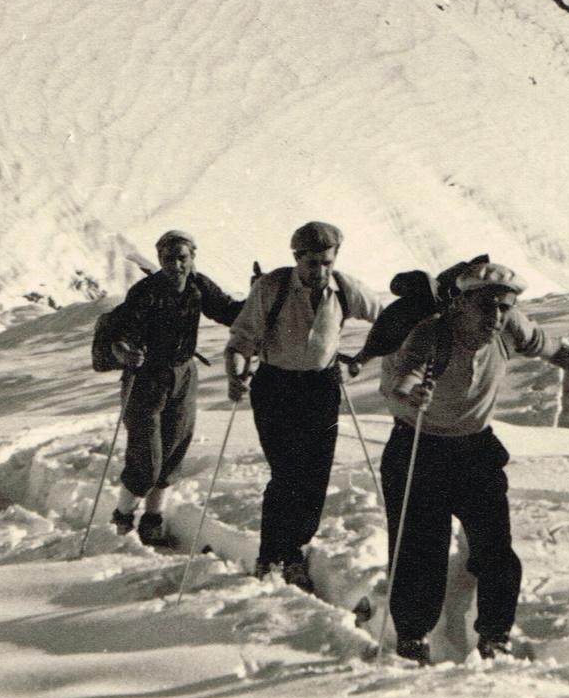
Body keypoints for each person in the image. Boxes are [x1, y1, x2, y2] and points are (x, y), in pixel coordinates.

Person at [380, 262, 569, 665]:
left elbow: (557, 352)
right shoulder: (431, 333)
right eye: (487, 306)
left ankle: (495, 637)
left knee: (496, 552)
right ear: (462, 303)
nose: (496, 316)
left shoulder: (509, 327)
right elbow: (405, 376)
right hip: (419, 449)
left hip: (475, 450)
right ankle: (412, 639)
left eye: (505, 307)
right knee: (421, 553)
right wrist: (411, 396)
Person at [224, 221, 383, 591]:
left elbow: (388, 320)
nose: (320, 271)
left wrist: (361, 359)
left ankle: (294, 549)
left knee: (315, 476)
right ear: (297, 258)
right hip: (276, 387)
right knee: (287, 473)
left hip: (321, 388)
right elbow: (242, 338)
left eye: (327, 262)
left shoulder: (344, 288)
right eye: (313, 263)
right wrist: (236, 374)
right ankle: (272, 556)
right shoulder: (272, 287)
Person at [109, 230, 244, 545]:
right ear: (159, 259)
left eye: (182, 258)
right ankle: (122, 519)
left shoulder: (198, 286)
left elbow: (228, 312)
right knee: (146, 459)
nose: (176, 265)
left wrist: (259, 300)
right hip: (146, 379)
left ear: (192, 258)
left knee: (173, 450)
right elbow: (122, 334)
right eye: (168, 259)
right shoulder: (145, 292)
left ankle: (152, 520)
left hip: (183, 376)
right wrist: (126, 351)